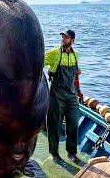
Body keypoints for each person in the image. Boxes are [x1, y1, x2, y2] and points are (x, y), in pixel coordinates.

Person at [44, 29, 81, 163]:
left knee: (73, 123)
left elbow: (76, 74)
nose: (63, 39)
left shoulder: (76, 54)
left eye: (66, 37)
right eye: (62, 37)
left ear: (72, 40)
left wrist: (78, 91)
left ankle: (71, 152)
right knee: (55, 124)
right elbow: (38, 62)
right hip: (57, 93)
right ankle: (54, 153)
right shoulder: (54, 53)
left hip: (71, 94)